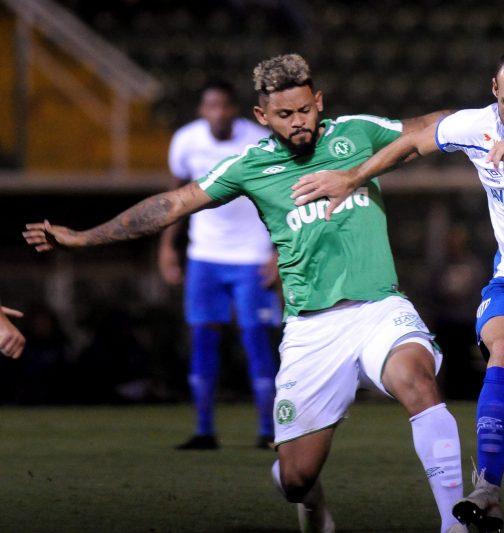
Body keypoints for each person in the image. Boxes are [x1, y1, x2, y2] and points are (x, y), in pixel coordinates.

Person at [24, 53, 466, 533]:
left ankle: (454, 523)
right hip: (312, 328)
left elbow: (427, 127)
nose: (298, 122)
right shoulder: (249, 166)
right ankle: (313, 503)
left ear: (318, 102)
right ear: (261, 117)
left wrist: (499, 118)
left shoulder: (355, 133)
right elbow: (172, 204)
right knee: (295, 478)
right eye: (284, 115)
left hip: (380, 307)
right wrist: (84, 237)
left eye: (304, 110)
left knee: (419, 382)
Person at [290, 46, 504, 533]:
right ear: (494, 91)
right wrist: (352, 176)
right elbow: (413, 144)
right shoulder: (476, 125)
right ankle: (488, 491)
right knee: (501, 352)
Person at [161, 79, 281, 450]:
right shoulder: (185, 141)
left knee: (257, 342)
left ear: (235, 109)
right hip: (204, 256)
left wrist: (279, 252)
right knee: (202, 340)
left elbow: (280, 196)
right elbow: (177, 197)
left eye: (224, 106)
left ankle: (270, 431)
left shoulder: (258, 140)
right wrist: (168, 246)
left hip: (252, 256)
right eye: (211, 107)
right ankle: (204, 430)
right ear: (202, 110)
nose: (218, 114)